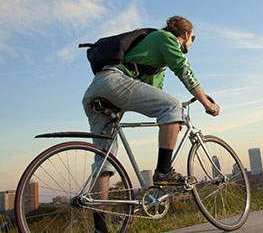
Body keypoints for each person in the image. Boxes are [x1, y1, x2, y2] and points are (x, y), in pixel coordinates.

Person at [82, 16, 220, 232]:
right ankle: (164, 172)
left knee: (104, 161)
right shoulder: (165, 38)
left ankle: (100, 226)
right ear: (186, 35)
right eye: (191, 40)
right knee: (174, 106)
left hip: (95, 90)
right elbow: (185, 71)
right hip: (114, 82)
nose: (189, 45)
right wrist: (206, 103)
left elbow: (156, 96)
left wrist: (170, 121)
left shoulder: (155, 61)